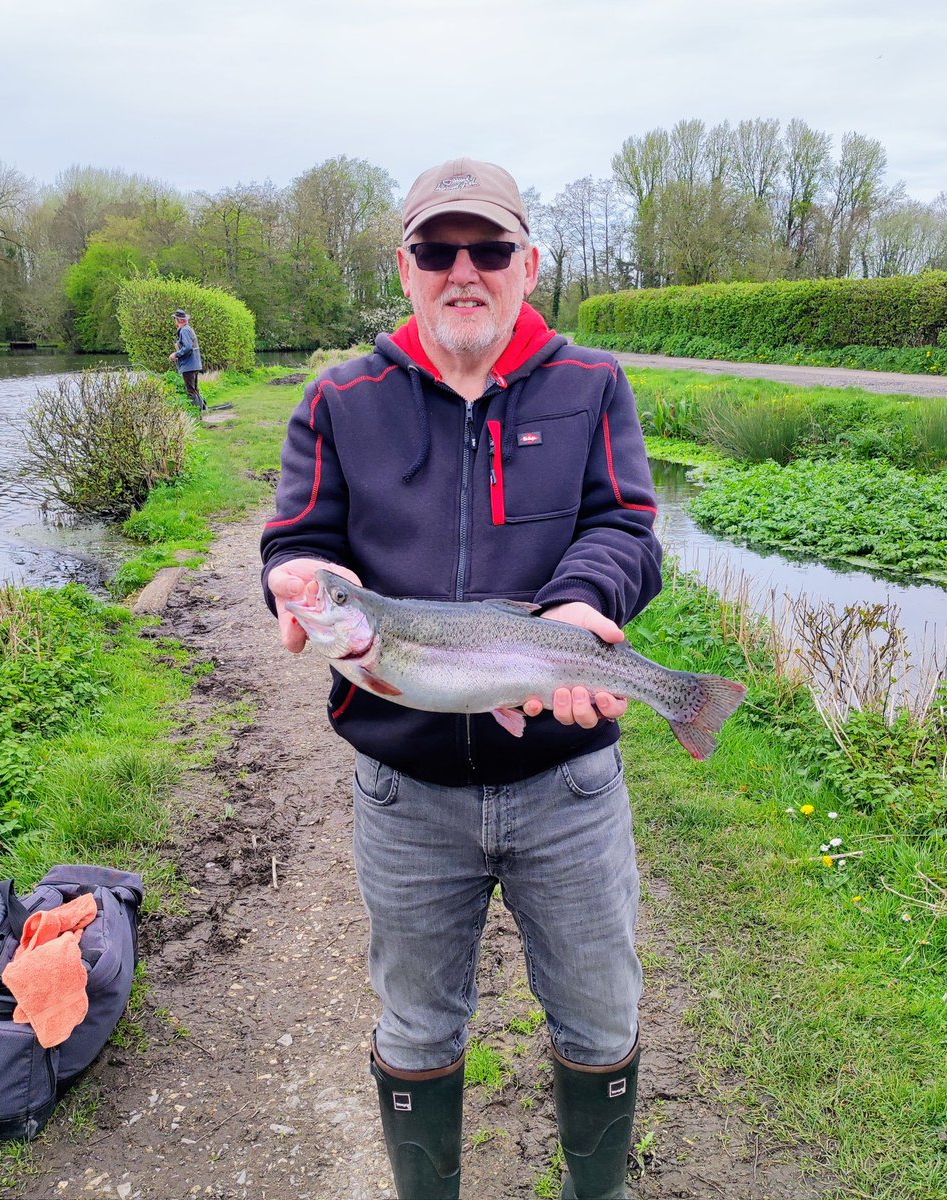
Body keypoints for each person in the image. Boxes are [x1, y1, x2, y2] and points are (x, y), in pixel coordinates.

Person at [261, 157, 662, 1200]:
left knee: (600, 1019)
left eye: (488, 247)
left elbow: (626, 528)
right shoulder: (339, 398)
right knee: (417, 1027)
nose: (464, 269)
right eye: (438, 250)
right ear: (406, 268)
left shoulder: (591, 384)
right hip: (405, 797)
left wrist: (579, 605)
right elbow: (298, 539)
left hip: (569, 785)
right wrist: (297, 579)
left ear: (529, 263)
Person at [168, 309, 204, 410]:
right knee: (195, 389)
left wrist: (176, 354)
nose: (174, 321)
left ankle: (197, 413)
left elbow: (188, 347)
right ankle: (203, 410)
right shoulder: (189, 329)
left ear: (178, 320)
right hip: (194, 364)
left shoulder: (184, 330)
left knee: (191, 391)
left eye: (175, 319)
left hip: (189, 365)